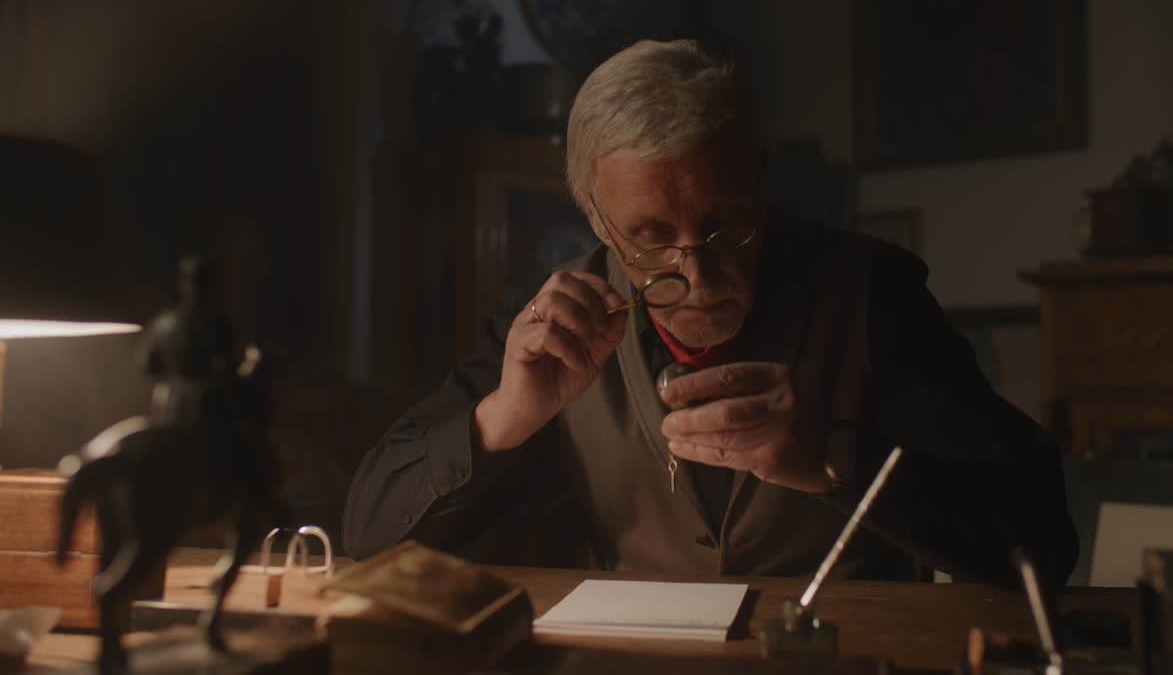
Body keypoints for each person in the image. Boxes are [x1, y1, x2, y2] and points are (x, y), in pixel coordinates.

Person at [343, 39, 1078, 587]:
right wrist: (501, 418)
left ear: (761, 178)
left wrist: (833, 460)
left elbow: (1041, 540)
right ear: (597, 221)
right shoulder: (552, 319)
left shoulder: (871, 295)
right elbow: (368, 534)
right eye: (651, 237)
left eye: (727, 226)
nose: (697, 275)